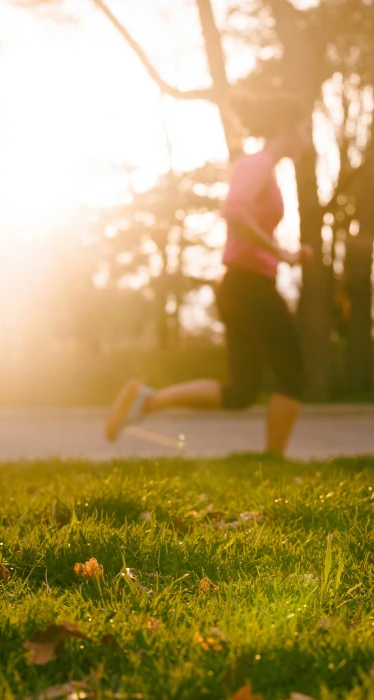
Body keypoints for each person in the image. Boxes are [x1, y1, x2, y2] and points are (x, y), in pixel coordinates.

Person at [105, 93, 313, 457]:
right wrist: (278, 252)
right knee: (292, 371)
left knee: (242, 391)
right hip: (249, 284)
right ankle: (275, 459)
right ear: (286, 127)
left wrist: (287, 254)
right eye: (305, 130)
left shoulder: (262, 167)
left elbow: (246, 222)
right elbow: (234, 211)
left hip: (240, 283)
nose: (308, 140)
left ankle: (146, 401)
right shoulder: (258, 164)